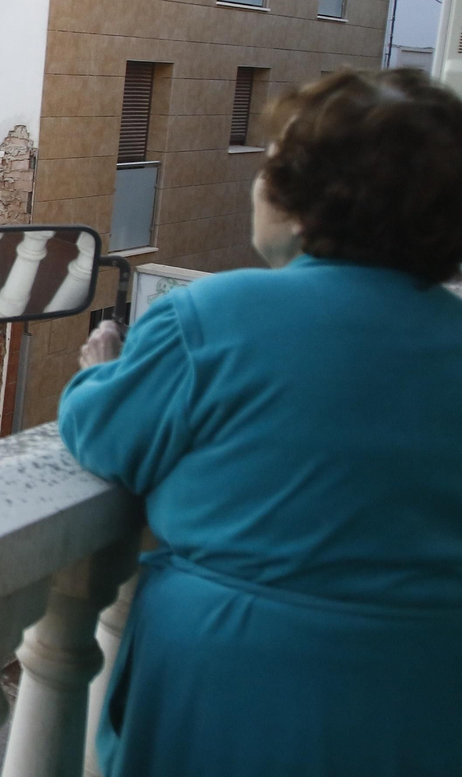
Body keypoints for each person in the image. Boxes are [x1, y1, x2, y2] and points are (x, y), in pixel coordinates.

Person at [57, 69, 462, 777]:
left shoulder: (211, 317)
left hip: (234, 685)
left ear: (308, 206)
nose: (255, 183)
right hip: (425, 691)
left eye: (272, 165)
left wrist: (99, 371)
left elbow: (103, 434)